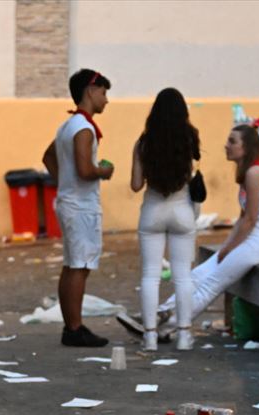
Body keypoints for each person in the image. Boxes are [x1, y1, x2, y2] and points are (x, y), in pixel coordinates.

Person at [154, 125, 259, 334]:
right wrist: (226, 246)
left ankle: (168, 328)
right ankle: (159, 314)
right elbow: (243, 219)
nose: (226, 145)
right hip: (255, 237)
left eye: (233, 141)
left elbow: (250, 219)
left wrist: (229, 248)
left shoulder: (254, 173)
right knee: (198, 274)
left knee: (212, 282)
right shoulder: (248, 172)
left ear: (247, 147)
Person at [42, 68, 113, 348]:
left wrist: (64, 183)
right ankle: (75, 327)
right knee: (80, 265)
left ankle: (71, 325)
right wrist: (102, 171)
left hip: (70, 200)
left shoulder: (67, 126)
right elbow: (85, 170)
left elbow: (48, 157)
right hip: (81, 205)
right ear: (90, 91)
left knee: (72, 264)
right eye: (104, 93)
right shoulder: (83, 128)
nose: (106, 100)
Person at [129, 88, 200, 352]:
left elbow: (136, 185)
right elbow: (190, 176)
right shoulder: (190, 139)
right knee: (183, 277)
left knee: (150, 276)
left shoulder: (144, 143)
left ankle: (149, 337)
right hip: (182, 210)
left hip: (152, 210)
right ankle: (184, 335)